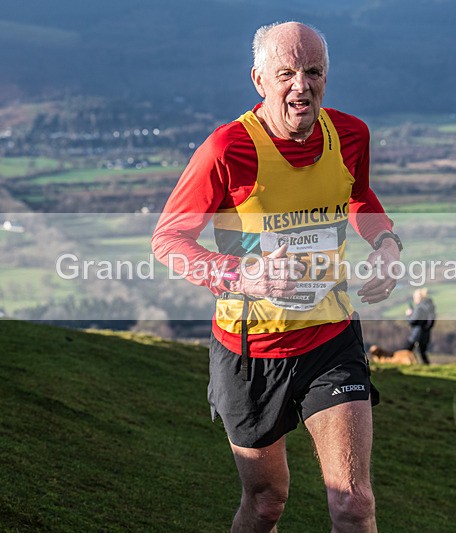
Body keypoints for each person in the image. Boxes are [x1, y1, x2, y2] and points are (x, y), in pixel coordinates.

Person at [152, 21, 402, 532]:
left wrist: (386, 242)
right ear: (259, 80)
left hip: (331, 340)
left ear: (326, 78)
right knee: (267, 500)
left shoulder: (350, 134)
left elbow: (358, 196)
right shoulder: (226, 150)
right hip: (251, 352)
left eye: (314, 72)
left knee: (353, 504)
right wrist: (245, 277)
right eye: (285, 73)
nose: (301, 86)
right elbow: (168, 241)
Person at [404, 288, 436, 365]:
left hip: (416, 334)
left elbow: (413, 321)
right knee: (423, 353)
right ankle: (427, 368)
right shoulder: (429, 306)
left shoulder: (419, 308)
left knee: (406, 352)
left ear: (418, 298)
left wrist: (409, 315)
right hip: (426, 333)